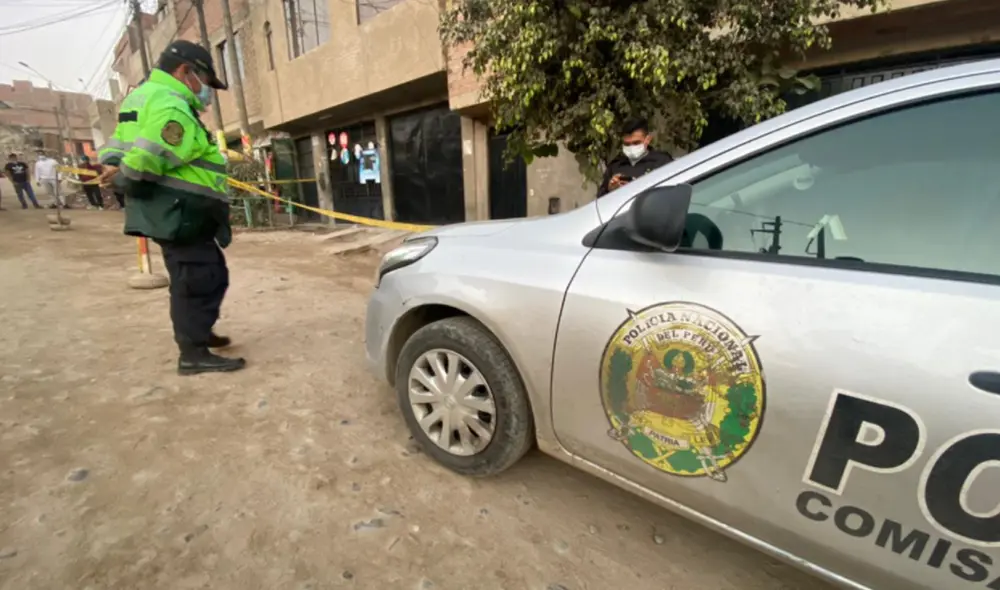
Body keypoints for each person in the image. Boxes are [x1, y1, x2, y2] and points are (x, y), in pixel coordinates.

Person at [97, 40, 245, 376]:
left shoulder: (141, 98)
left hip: (175, 212)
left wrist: (113, 166)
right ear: (185, 72)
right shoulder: (171, 106)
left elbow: (119, 143)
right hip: (181, 213)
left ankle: (199, 335)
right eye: (205, 81)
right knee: (197, 279)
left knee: (206, 275)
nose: (206, 91)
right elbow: (149, 155)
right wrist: (123, 177)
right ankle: (193, 353)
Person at [597, 118, 674, 198]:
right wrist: (611, 190)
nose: (631, 147)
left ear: (648, 139)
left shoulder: (661, 161)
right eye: (627, 144)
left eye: (636, 143)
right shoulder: (615, 166)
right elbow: (600, 200)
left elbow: (672, 193)